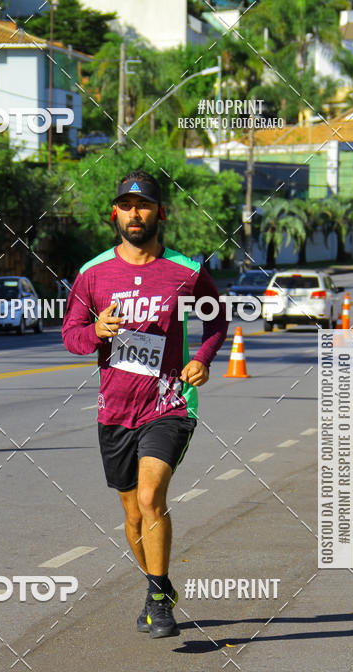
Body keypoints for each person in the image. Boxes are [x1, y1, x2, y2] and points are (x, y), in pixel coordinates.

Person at [62, 170, 228, 638]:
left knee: (153, 496)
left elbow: (216, 322)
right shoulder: (92, 274)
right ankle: (160, 585)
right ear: (115, 213)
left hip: (169, 403)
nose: (135, 213)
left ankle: (158, 604)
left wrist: (202, 357)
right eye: (127, 205)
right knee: (133, 514)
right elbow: (71, 335)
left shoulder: (185, 271)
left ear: (161, 212)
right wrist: (94, 332)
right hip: (114, 410)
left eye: (145, 205)